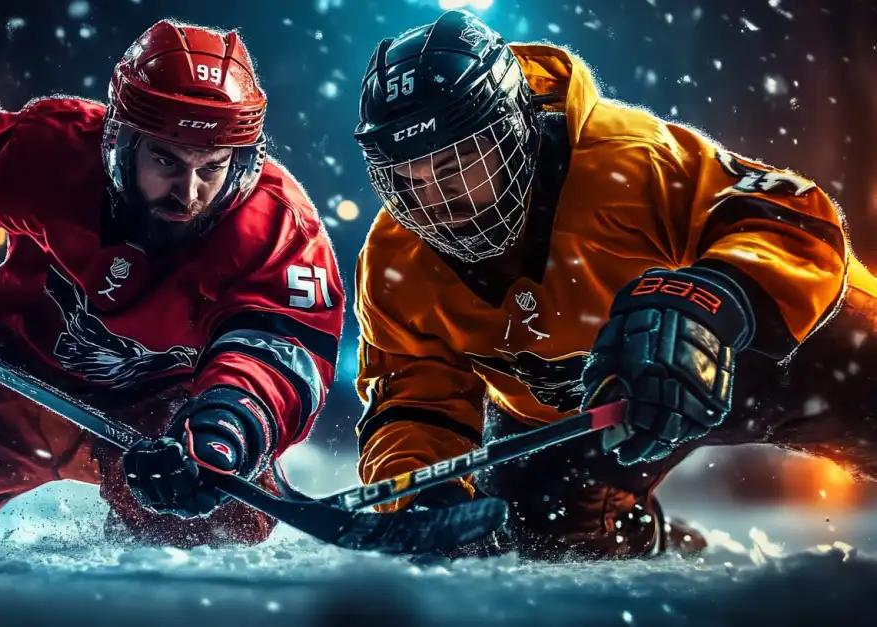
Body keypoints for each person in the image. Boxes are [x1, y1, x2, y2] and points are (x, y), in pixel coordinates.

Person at [0, 20, 344, 549]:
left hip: (167, 417)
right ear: (121, 141)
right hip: (2, 374)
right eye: (166, 161)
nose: (189, 192)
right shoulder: (56, 147)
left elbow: (279, 351)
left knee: (220, 526)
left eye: (212, 166)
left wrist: (226, 428)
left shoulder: (280, 230)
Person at [351, 10, 877, 560]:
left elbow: (793, 217)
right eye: (407, 178)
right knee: (538, 532)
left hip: (784, 351)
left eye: (457, 164)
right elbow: (413, 396)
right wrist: (421, 489)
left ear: (513, 128)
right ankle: (664, 547)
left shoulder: (629, 160)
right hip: (595, 414)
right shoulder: (394, 259)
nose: (435, 202)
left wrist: (709, 301)